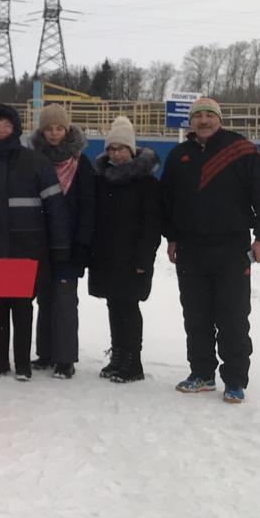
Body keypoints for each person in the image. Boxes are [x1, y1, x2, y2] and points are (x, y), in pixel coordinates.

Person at [160, 97, 260, 404]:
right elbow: (167, 203)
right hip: (190, 250)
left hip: (232, 248)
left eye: (209, 115)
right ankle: (201, 374)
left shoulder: (241, 150)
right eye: (198, 115)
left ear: (219, 119)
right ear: (191, 121)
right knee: (196, 315)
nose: (203, 120)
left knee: (233, 316)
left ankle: (235, 380)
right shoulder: (179, 155)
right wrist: (172, 238)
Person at [0, 104, 70, 381]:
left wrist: (59, 248)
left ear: (16, 129)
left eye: (6, 125)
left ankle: (23, 363)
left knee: (23, 307)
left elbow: (55, 210)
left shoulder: (36, 163)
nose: (1, 130)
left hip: (27, 250)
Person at [89, 117, 162, 384]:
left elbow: (151, 225)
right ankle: (118, 354)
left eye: (121, 148)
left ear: (131, 150)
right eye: (111, 149)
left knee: (129, 306)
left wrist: (144, 257)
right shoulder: (101, 180)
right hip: (107, 256)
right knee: (113, 304)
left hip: (133, 257)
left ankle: (133, 361)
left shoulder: (146, 183)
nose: (116, 153)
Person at [29, 104, 95, 379]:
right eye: (49, 128)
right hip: (39, 245)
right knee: (44, 299)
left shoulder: (81, 163)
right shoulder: (33, 160)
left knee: (65, 301)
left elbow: (88, 207)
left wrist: (81, 245)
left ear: (67, 130)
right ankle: (45, 353)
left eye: (59, 128)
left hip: (68, 246)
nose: (54, 133)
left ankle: (65, 358)